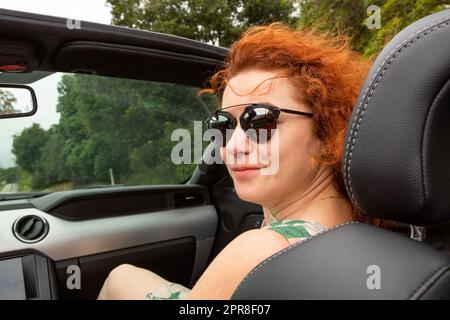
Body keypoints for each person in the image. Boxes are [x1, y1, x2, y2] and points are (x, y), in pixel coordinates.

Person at [97, 22, 372, 300]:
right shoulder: (365, 219)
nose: (233, 147)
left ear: (326, 130)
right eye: (224, 126)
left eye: (261, 120)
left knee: (118, 277)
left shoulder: (259, 250)